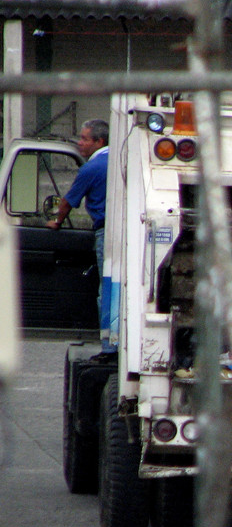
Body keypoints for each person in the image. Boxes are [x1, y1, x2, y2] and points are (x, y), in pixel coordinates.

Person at [46, 119, 114, 355]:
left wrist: (56, 221)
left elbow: (66, 203)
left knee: (106, 289)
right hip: (126, 231)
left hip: (106, 231)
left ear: (99, 141)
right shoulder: (119, 162)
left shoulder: (91, 168)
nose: (80, 142)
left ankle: (109, 346)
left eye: (85, 138)